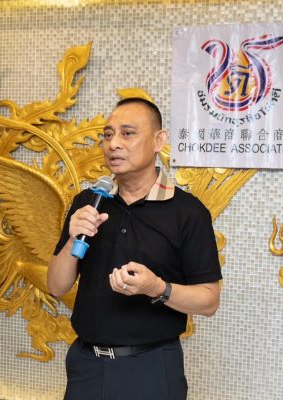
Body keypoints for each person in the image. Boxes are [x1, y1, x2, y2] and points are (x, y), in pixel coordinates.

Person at [48, 97, 222, 400]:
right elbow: (56, 285)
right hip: (86, 365)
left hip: (151, 368)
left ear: (159, 141)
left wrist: (157, 288)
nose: (113, 144)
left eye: (127, 133)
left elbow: (209, 301)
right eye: (108, 134)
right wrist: (74, 237)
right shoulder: (88, 202)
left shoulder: (188, 212)